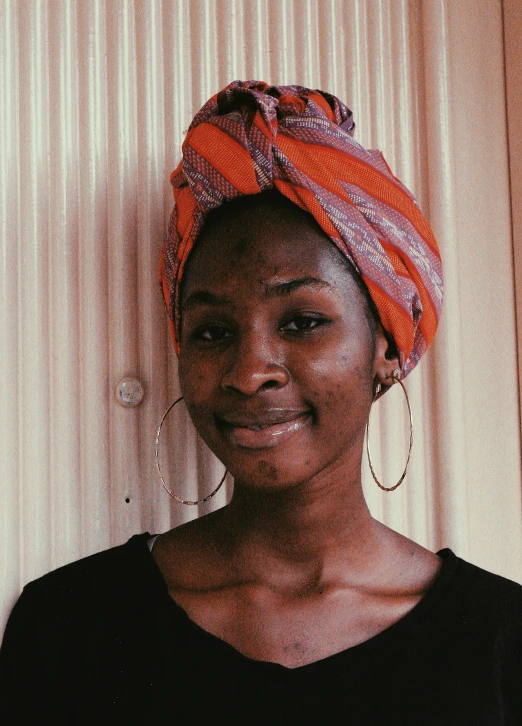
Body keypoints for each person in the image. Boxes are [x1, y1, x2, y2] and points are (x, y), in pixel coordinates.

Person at [1, 81, 521, 724]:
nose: (249, 373)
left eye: (302, 321)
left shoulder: (502, 645)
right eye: (214, 332)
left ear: (386, 346)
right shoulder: (69, 626)